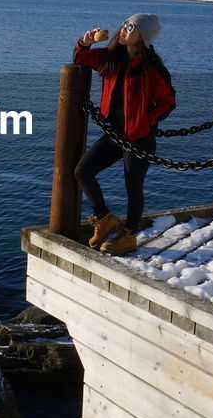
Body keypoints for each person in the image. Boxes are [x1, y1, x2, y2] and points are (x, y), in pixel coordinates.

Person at [72, 13, 175, 255]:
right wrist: (86, 42)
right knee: (82, 171)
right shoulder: (111, 59)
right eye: (125, 24)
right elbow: (81, 58)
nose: (124, 29)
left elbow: (167, 102)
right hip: (114, 134)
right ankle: (104, 218)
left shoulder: (152, 68)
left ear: (143, 36)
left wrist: (145, 121)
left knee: (133, 185)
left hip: (139, 137)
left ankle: (128, 235)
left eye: (132, 27)